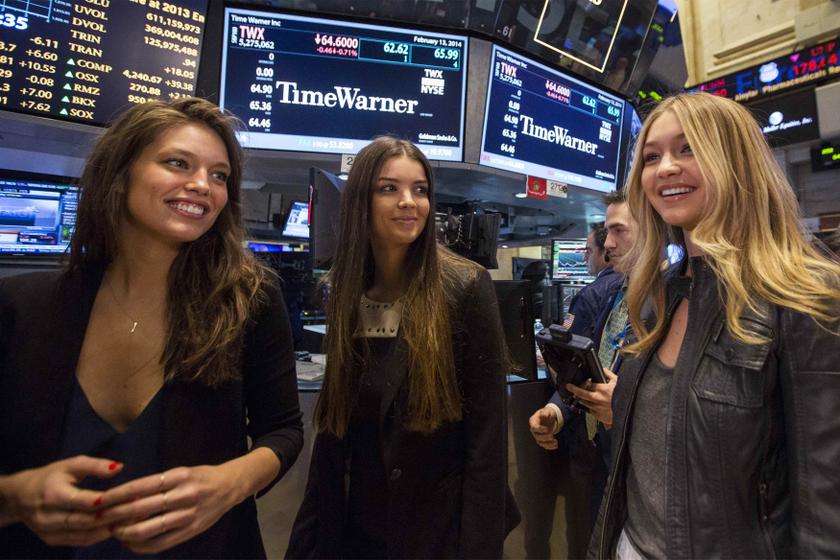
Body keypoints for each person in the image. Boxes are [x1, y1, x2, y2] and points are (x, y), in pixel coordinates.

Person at [0, 98, 304, 558]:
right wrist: (12, 497)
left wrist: (231, 483)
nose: (202, 185)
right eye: (178, 163)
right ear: (120, 175)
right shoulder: (21, 306)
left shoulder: (250, 303)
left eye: (219, 175)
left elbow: (282, 431)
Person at [590, 92, 840, 558]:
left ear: (736, 162)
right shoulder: (657, 293)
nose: (665, 168)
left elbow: (826, 497)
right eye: (652, 156)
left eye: (688, 148)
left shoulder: (807, 295)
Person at [286, 137, 519, 559]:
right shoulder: (344, 289)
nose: (409, 202)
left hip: (433, 530)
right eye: (389, 188)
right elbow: (335, 431)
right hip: (355, 524)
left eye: (421, 189)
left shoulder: (465, 287)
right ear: (361, 200)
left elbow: (487, 445)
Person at [526, 194, 635, 556]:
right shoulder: (613, 294)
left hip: (638, 473)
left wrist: (618, 411)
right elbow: (588, 369)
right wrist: (557, 410)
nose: (609, 244)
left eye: (618, 231)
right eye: (606, 233)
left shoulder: (673, 302)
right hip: (597, 456)